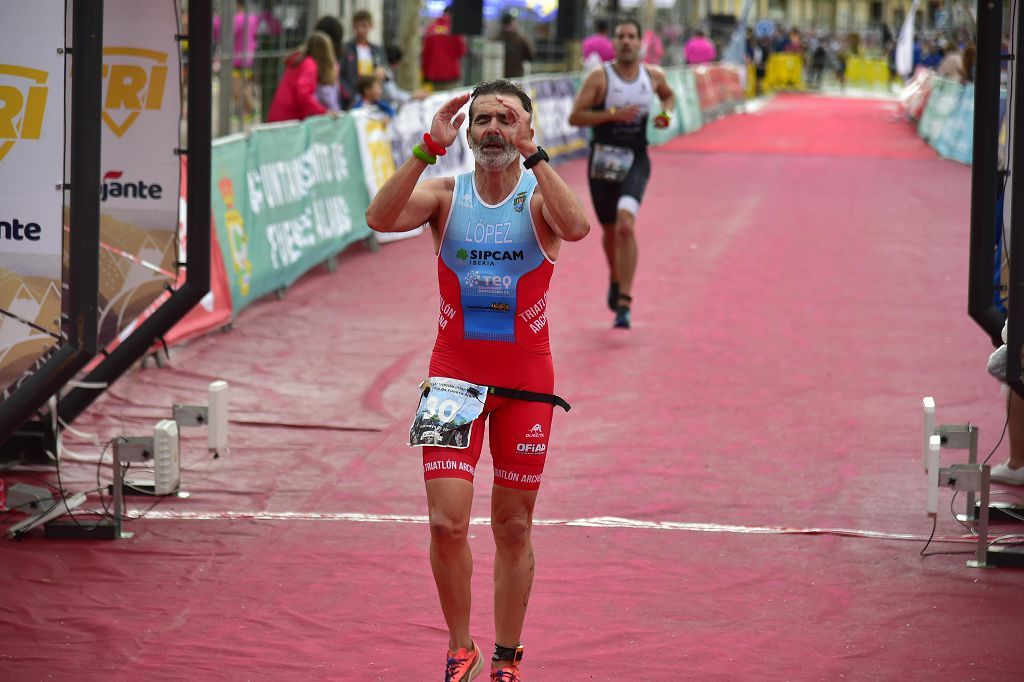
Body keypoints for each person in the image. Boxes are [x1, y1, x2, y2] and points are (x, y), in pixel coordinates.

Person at [364, 79, 589, 682]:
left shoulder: (539, 200)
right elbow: (379, 218)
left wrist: (538, 159)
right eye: (482, 119)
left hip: (527, 384)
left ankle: (507, 655)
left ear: (525, 131)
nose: (493, 128)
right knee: (446, 522)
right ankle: (459, 646)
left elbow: (577, 228)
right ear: (467, 133)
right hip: (453, 380)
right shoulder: (443, 195)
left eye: (506, 119)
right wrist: (423, 151)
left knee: (513, 525)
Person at [568, 19, 675, 329]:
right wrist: (611, 114)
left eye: (632, 37)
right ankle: (616, 276)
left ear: (641, 43)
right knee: (612, 231)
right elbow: (575, 116)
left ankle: (625, 301)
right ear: (614, 43)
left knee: (627, 224)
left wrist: (666, 114)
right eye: (621, 37)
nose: (627, 42)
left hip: (637, 160)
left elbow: (668, 96)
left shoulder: (653, 76)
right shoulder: (600, 78)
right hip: (603, 163)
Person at [265, 32, 331, 122]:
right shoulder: (309, 64)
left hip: (279, 113)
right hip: (289, 118)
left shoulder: (298, 60)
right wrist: (323, 112)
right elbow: (304, 93)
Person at [340, 9, 388, 109]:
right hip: (353, 99)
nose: (361, 30)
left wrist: (384, 72)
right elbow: (341, 76)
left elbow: (388, 72)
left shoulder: (377, 50)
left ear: (370, 26)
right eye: (357, 26)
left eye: (364, 26)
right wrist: (350, 95)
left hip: (374, 99)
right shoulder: (346, 49)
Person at [422, 5, 467, 91]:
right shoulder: (455, 28)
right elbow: (461, 51)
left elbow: (426, 54)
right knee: (452, 101)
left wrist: (426, 74)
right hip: (451, 73)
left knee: (436, 101)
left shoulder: (430, 28)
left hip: (433, 74)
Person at [496, 12, 535, 79]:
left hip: (499, 78)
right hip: (516, 78)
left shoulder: (496, 39)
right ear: (512, 22)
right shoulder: (520, 39)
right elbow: (530, 56)